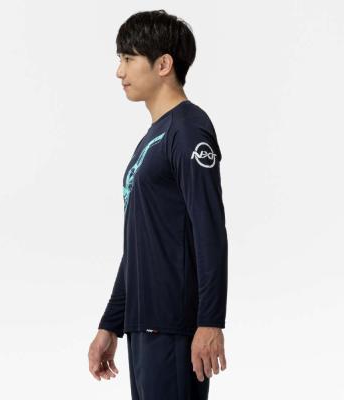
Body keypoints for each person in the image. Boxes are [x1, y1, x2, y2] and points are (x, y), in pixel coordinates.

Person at [88, 9, 228, 399]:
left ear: (163, 64)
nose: (119, 71)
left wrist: (210, 320)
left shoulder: (188, 130)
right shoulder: (153, 138)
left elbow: (209, 230)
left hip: (173, 326)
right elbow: (139, 242)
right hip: (144, 324)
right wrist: (112, 322)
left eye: (128, 58)